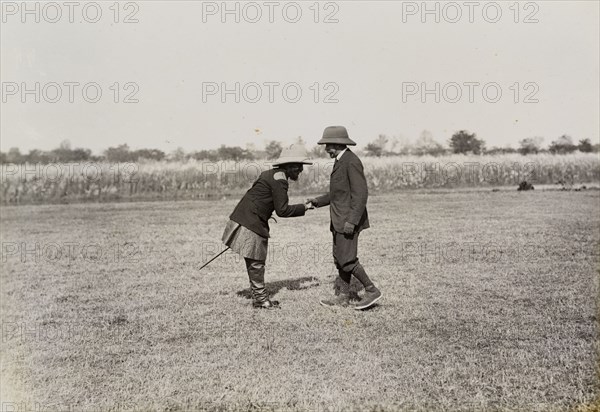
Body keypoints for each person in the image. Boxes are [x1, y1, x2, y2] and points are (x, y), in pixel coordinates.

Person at [222, 143, 313, 309]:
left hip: (246, 217)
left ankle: (260, 297)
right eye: (299, 166)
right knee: (256, 261)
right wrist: (304, 207)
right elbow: (283, 211)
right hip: (251, 221)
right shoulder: (280, 180)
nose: (301, 170)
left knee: (255, 261)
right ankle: (261, 300)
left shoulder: (271, 174)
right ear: (289, 166)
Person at [307, 126, 382, 310]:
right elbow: (337, 194)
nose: (326, 150)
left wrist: (352, 221)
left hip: (347, 220)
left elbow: (361, 194)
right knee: (338, 257)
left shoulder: (351, 161)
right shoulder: (340, 161)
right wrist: (317, 201)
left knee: (347, 259)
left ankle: (371, 290)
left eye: (328, 146)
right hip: (338, 220)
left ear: (337, 144)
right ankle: (343, 296)